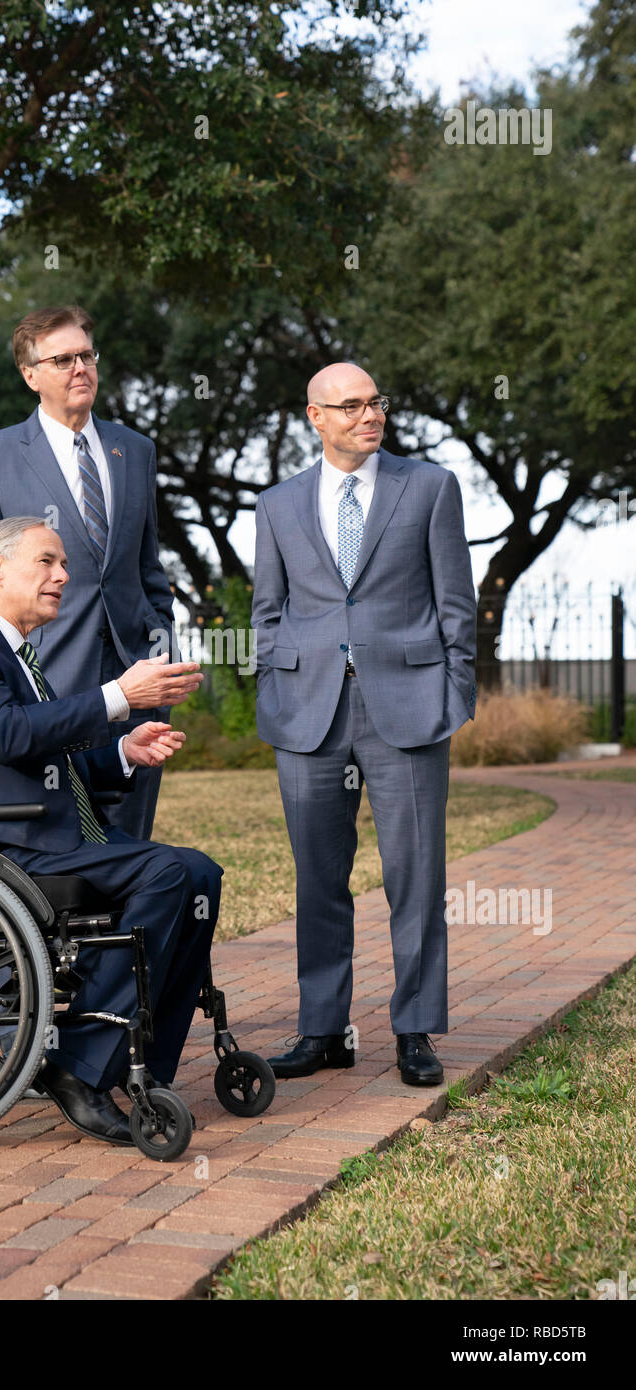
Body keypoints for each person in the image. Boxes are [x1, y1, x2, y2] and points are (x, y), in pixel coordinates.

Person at [0, 516, 219, 1146]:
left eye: (65, 565)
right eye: (48, 562)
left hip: (52, 835)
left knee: (199, 874)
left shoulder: (19, 654)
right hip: (0, 846)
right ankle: (77, 1067)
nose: (63, 576)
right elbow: (8, 736)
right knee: (166, 873)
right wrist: (117, 695)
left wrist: (125, 751)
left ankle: (142, 1071)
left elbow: (44, 758)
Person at [252, 363, 477, 1087]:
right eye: (350, 406)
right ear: (314, 416)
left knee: (414, 875)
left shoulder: (431, 487)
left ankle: (414, 1029)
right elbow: (267, 609)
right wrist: (273, 686)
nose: (368, 415)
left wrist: (455, 693)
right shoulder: (278, 504)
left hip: (408, 707)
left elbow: (456, 604)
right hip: (308, 712)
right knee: (318, 878)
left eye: (375, 402)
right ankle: (323, 1031)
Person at [0, 304, 176, 840]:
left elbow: (148, 568)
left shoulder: (137, 451)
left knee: (132, 843)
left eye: (86, 355)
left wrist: (161, 646)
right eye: (63, 360)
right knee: (62, 843)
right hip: (48, 687)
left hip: (137, 676)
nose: (80, 368)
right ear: (31, 375)